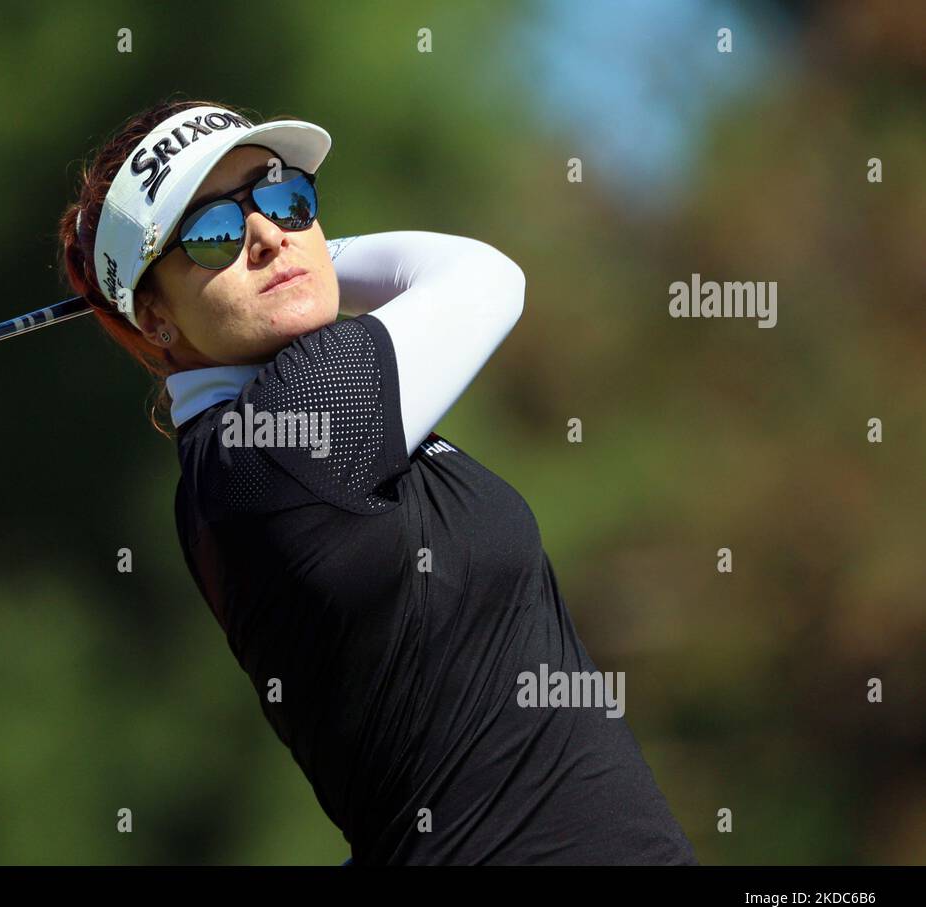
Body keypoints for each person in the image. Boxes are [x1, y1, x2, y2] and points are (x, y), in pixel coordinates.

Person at [59, 96, 698, 865]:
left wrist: (294, 261)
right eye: (214, 233)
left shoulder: (253, 448)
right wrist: (310, 263)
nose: (266, 235)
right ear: (155, 318)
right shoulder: (276, 438)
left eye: (284, 199)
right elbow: (484, 275)